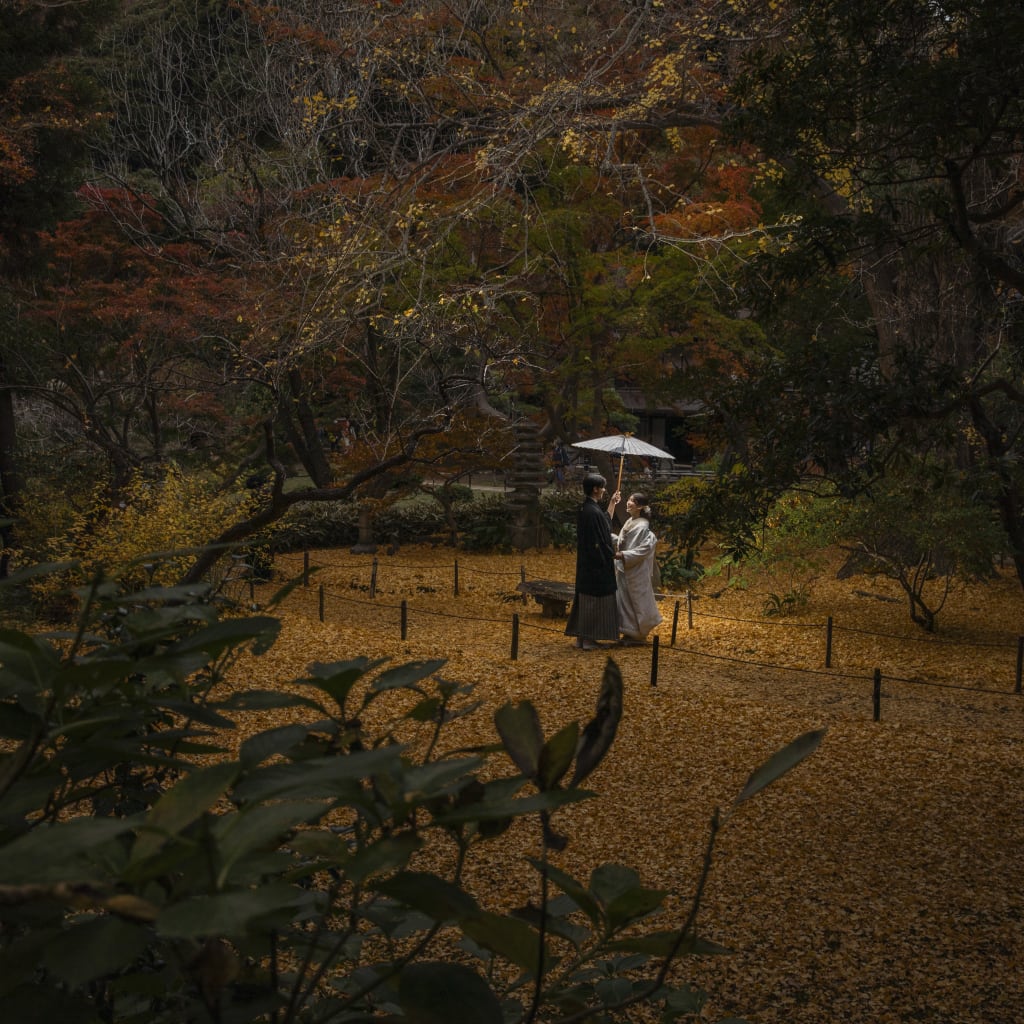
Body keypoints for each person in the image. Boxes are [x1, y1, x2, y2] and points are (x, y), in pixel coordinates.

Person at [565, 473, 620, 650]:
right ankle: (588, 640)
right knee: (594, 600)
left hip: (587, 564)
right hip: (595, 565)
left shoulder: (586, 509)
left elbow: (603, 524)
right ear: (595, 489)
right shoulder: (591, 511)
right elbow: (600, 539)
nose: (604, 490)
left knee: (586, 598)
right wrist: (611, 554)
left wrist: (612, 503)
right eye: (602, 487)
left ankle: (582, 638)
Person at [613, 491, 663, 645]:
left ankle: (638, 634)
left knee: (636, 600)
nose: (628, 502)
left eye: (632, 501)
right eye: (628, 499)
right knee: (625, 600)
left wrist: (623, 555)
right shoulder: (631, 521)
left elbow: (641, 549)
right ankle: (629, 631)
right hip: (625, 568)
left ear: (640, 507)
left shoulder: (642, 526)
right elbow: (624, 541)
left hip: (636, 569)